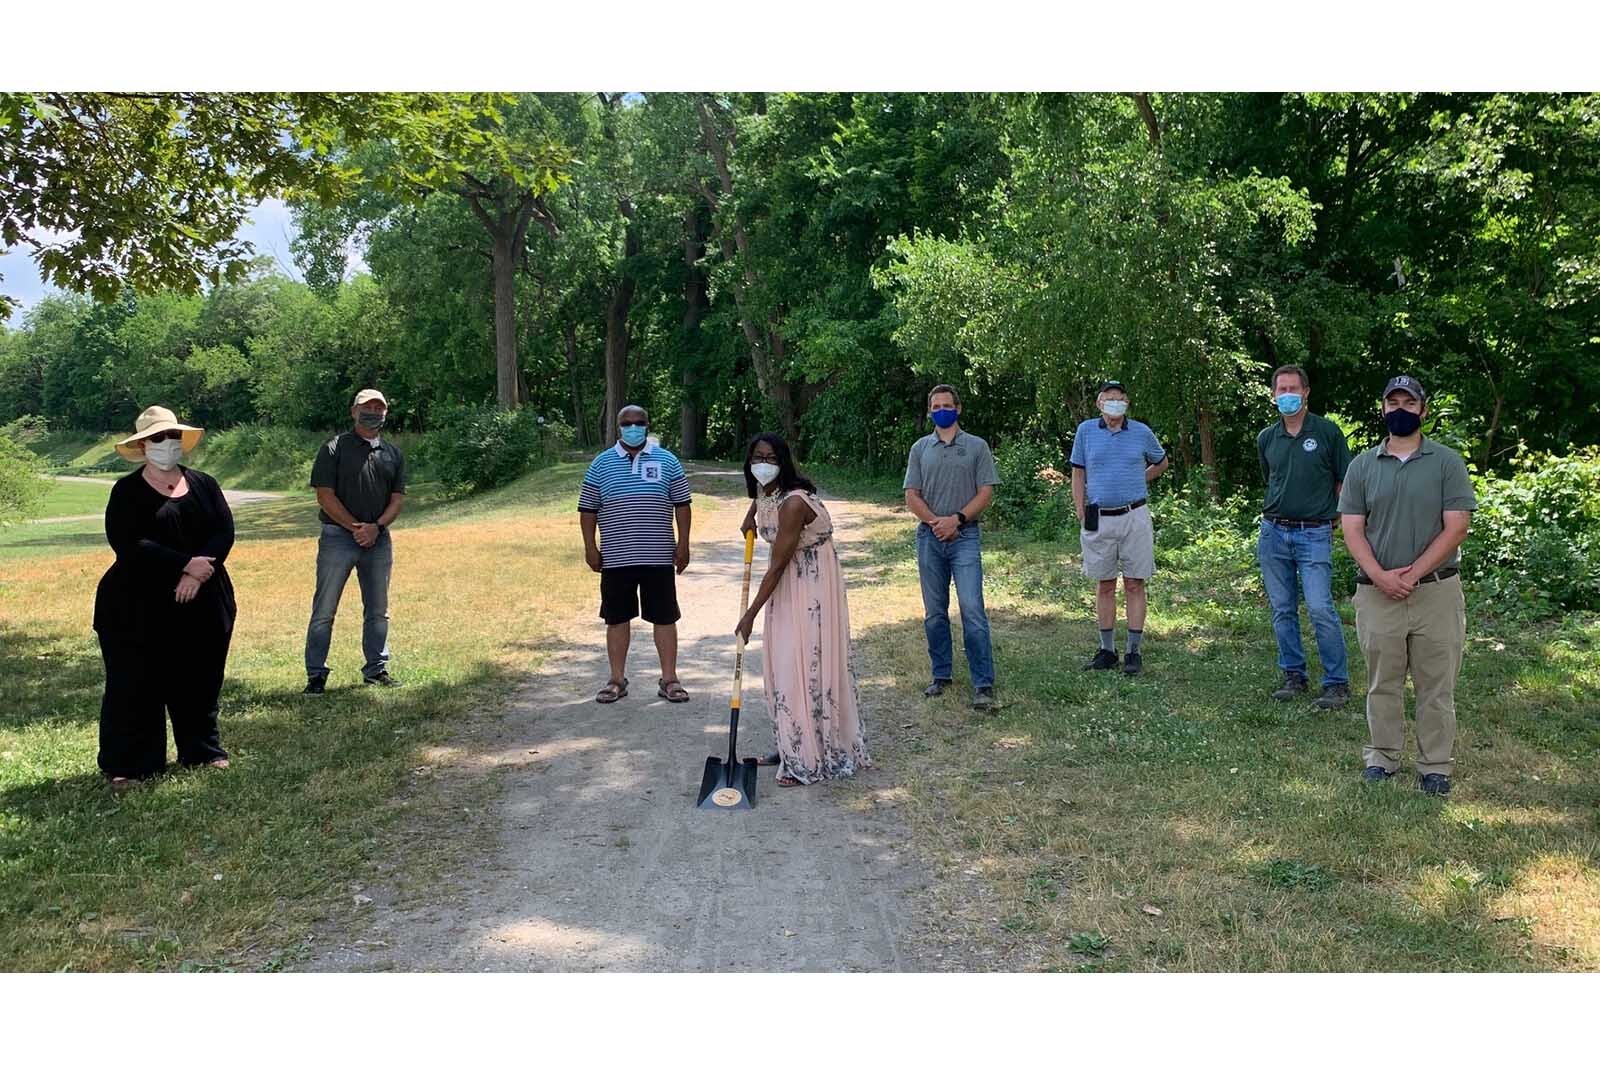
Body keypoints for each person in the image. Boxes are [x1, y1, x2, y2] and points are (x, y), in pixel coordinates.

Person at [1338, 374, 1475, 797]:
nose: (1400, 409)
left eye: (1408, 403)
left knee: (1436, 684)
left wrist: (1413, 574)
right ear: (1382, 409)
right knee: (1383, 681)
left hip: (1435, 590)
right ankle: (1382, 757)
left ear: (1423, 409)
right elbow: (1352, 529)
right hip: (1378, 592)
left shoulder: (1446, 462)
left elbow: (1457, 527)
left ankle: (1435, 765)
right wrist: (1380, 576)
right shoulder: (1361, 465)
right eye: (1392, 402)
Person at [94, 406, 235, 790]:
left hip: (205, 597)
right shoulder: (126, 491)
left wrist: (201, 569)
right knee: (135, 684)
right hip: (136, 605)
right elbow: (129, 544)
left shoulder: (205, 484)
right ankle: (131, 763)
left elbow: (223, 531)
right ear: (142, 445)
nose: (168, 444)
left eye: (173, 436)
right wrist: (185, 565)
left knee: (200, 678)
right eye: (158, 437)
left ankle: (202, 751)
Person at [736, 433, 871, 786]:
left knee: (803, 665)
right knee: (782, 664)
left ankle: (808, 758)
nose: (762, 464)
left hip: (810, 587)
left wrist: (749, 615)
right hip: (787, 587)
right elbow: (761, 505)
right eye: (756, 458)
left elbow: (778, 565)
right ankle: (790, 744)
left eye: (770, 457)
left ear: (783, 461)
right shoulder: (766, 492)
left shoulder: (794, 502)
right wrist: (751, 516)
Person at [578, 405, 692, 704]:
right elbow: (588, 509)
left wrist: (683, 544)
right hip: (616, 558)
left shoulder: (667, 460)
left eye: (639, 422)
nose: (633, 427)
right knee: (616, 620)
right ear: (618, 427)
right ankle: (616, 679)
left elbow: (682, 504)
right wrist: (591, 547)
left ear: (647, 425)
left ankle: (669, 679)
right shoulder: (601, 464)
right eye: (627, 423)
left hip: (658, 557)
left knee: (665, 618)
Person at [1256, 364, 1354, 709]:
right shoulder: (1267, 438)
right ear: (1273, 395)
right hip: (1273, 533)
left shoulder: (1327, 432)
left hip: (1314, 533)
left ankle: (1337, 682)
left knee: (1319, 607)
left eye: (1293, 389)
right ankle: (1293, 675)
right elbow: (1271, 478)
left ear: (1306, 391)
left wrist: (1338, 517)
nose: (1287, 395)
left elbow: (1346, 481)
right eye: (1281, 390)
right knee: (1282, 609)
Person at [903, 384, 1001, 712]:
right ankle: (941, 674)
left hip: (966, 537)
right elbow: (911, 495)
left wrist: (957, 520)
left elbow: (986, 491)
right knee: (934, 613)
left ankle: (983, 682)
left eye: (948, 404)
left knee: (972, 609)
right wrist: (936, 522)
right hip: (930, 538)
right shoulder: (920, 449)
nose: (942, 409)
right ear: (929, 411)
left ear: (958, 408)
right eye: (936, 405)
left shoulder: (976, 446)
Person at [302, 388, 407, 694]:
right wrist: (355, 527)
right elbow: (324, 495)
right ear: (353, 411)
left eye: (379, 407)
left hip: (379, 540)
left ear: (386, 413)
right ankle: (316, 675)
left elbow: (397, 498)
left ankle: (376, 669)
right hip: (337, 538)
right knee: (324, 609)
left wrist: (376, 527)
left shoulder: (392, 453)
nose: (373, 411)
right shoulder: (334, 448)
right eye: (367, 407)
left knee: (378, 610)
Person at [1070, 380, 1170, 676]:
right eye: (1109, 398)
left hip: (1134, 515)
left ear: (1127, 403)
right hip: (1098, 516)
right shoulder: (1086, 431)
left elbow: (1161, 462)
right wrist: (1079, 509)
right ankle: (1107, 650)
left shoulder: (1141, 432)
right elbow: (1078, 472)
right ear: (1099, 403)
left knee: (1135, 582)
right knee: (1104, 583)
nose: (1115, 403)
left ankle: (1133, 652)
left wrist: (1139, 479)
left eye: (1120, 399)